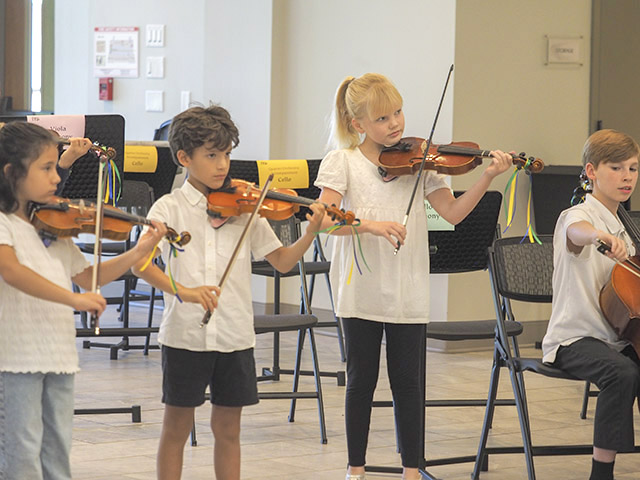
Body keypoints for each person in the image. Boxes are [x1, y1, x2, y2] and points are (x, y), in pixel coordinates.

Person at [314, 73, 513, 480]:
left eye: (398, 112)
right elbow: (325, 222)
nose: (396, 124)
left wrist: (487, 177)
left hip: (407, 286)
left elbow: (453, 214)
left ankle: (411, 470)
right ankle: (356, 468)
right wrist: (369, 226)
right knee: (361, 380)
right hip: (361, 286)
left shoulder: (421, 164)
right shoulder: (344, 161)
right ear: (358, 125)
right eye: (383, 118)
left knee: (409, 382)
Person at [131, 105, 326, 480]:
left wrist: (310, 233)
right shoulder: (168, 208)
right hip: (185, 335)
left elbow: (283, 262)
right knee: (176, 429)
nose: (223, 165)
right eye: (212, 155)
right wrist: (184, 291)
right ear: (184, 158)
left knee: (229, 430)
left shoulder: (246, 208)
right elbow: (142, 265)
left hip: (235, 334)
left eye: (227, 154)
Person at [0, 121, 167, 479]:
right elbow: (12, 271)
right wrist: (73, 301)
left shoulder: (52, 226)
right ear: (11, 173)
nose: (57, 178)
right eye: (46, 168)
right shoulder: (5, 225)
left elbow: (89, 277)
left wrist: (139, 250)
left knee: (57, 453)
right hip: (13, 359)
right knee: (20, 456)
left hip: (58, 356)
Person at [542, 129, 640, 480]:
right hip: (575, 339)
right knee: (622, 372)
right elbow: (578, 232)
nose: (627, 177)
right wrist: (599, 236)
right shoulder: (577, 216)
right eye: (616, 168)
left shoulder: (627, 227)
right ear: (591, 171)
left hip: (617, 338)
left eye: (633, 168)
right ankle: (601, 473)